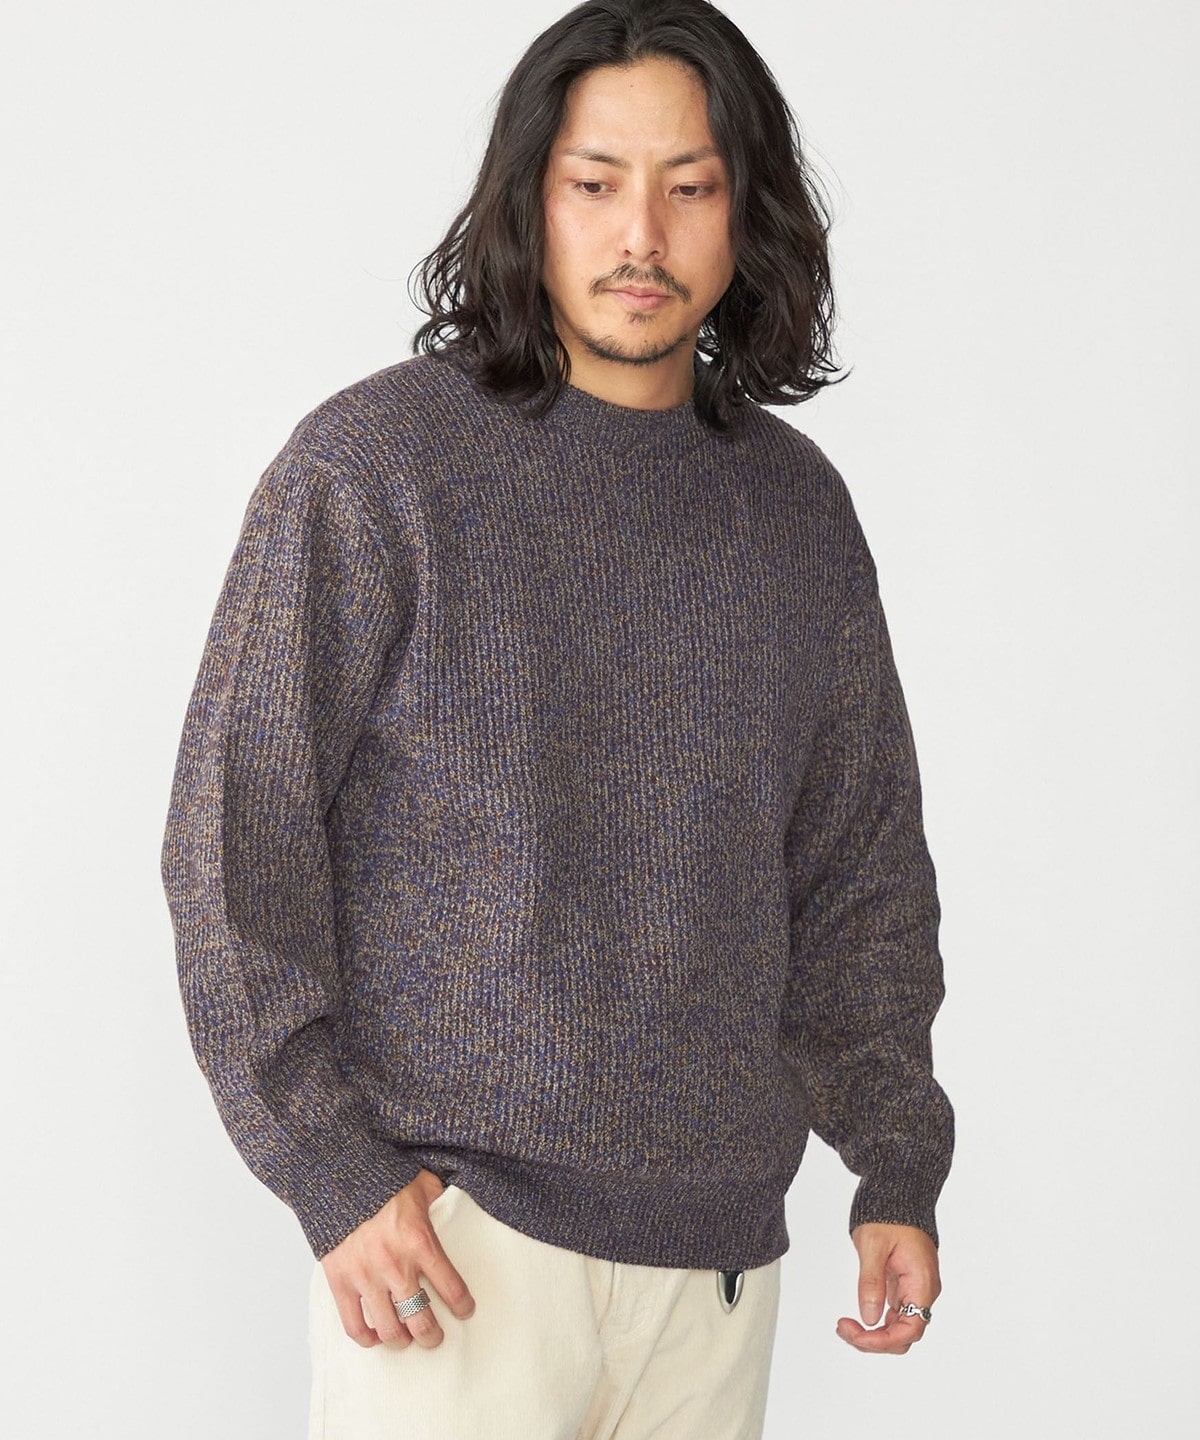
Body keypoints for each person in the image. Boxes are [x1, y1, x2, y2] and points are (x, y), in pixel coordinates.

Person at [160, 1, 954, 1435]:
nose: (640, 234)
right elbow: (237, 841)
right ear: (530, 199)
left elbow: (859, 866)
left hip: (717, 1266)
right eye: (596, 183)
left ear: (747, 215)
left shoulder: (794, 513)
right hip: (454, 1258)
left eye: (690, 187)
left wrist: (895, 1159)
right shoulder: (375, 469)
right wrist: (332, 1171)